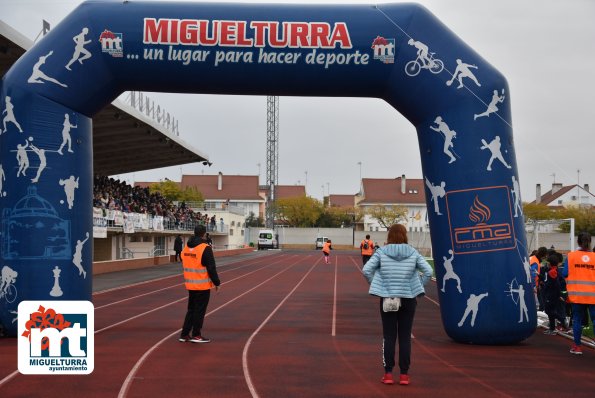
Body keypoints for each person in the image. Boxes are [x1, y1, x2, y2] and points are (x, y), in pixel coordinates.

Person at [362, 224, 433, 386]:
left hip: (388, 298)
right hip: (408, 298)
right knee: (405, 337)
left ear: (390, 236)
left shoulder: (381, 252)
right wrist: (418, 286)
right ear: (405, 235)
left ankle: (388, 374)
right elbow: (429, 271)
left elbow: (366, 270)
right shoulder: (413, 252)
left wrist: (377, 286)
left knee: (389, 336)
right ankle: (404, 375)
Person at [179, 224, 221, 343]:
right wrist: (217, 283)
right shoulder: (205, 248)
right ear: (204, 234)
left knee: (191, 309)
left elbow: (183, 259)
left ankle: (184, 334)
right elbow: (211, 267)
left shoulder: (186, 247)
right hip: (202, 285)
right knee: (199, 310)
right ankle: (196, 335)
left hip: (190, 284)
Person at [561, 232, 595, 355]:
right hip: (593, 296)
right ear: (590, 242)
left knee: (577, 321)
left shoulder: (571, 256)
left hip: (577, 295)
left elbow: (564, 273)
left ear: (578, 242)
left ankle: (577, 347)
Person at [540, 252, 568, 335]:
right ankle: (552, 328)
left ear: (550, 263)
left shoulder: (552, 272)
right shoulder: (553, 270)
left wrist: (559, 295)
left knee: (549, 311)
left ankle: (562, 320)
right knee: (550, 311)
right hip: (552, 294)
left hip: (552, 295)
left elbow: (556, 284)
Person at [530, 247, 548, 311]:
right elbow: (532, 275)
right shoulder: (535, 262)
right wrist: (534, 286)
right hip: (532, 286)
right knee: (535, 305)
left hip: (527, 284)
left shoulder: (531, 258)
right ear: (543, 255)